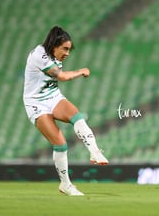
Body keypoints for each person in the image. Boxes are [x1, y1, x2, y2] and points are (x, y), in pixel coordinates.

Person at [23, 26, 109, 196]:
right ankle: (66, 185)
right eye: (65, 48)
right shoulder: (39, 55)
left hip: (53, 96)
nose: (67, 53)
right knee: (61, 144)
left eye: (69, 49)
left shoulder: (55, 54)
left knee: (76, 115)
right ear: (54, 44)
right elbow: (61, 76)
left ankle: (94, 151)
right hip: (36, 103)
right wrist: (80, 71)